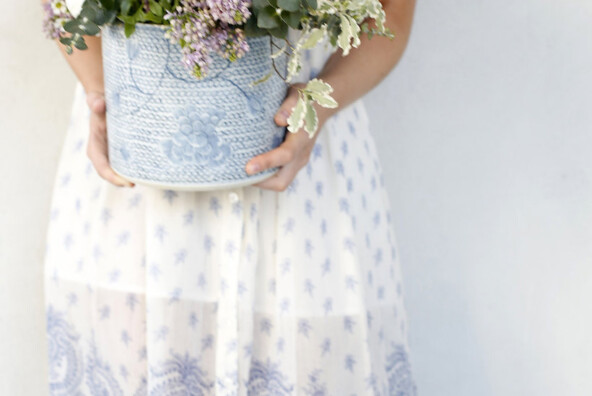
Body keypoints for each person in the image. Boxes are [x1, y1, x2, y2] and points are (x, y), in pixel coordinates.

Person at [43, 0, 418, 394]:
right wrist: (101, 94)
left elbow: (391, 13)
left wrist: (315, 108)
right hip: (137, 191)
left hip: (303, 193)